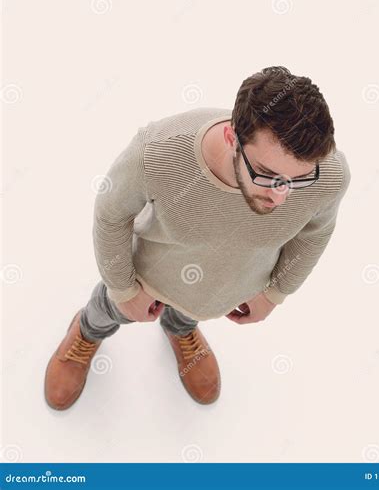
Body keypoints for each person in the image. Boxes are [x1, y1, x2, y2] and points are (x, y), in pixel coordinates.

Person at [44, 66, 351, 410]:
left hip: (225, 289)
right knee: (108, 309)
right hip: (147, 278)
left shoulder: (330, 175)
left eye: (300, 179)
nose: (281, 196)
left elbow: (316, 233)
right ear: (233, 138)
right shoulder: (157, 152)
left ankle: (181, 328)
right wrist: (123, 290)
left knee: (189, 312)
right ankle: (87, 332)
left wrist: (277, 292)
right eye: (266, 174)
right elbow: (111, 214)